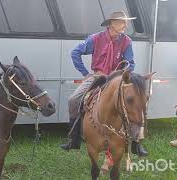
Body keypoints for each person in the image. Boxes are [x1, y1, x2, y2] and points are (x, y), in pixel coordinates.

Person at [60, 11, 149, 157]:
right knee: (73, 100)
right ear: (111, 24)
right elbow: (75, 53)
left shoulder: (126, 41)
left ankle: (136, 143)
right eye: (122, 22)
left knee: (135, 101)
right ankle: (74, 139)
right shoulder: (95, 39)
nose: (125, 25)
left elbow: (131, 63)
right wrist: (86, 73)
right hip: (97, 76)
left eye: (125, 22)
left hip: (118, 79)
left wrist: (121, 72)